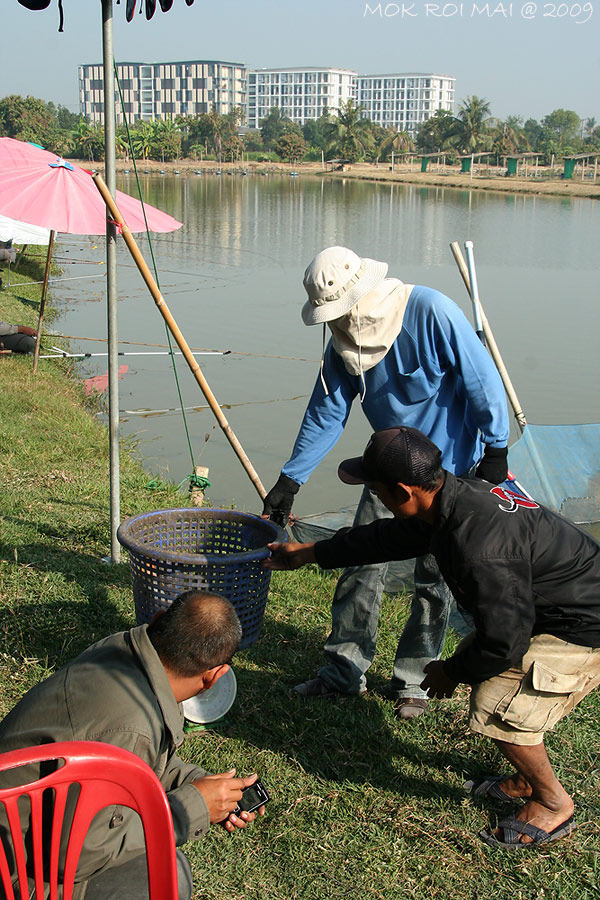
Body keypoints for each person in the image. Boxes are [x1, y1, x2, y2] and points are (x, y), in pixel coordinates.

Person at [265, 426, 600, 848]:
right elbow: (386, 538)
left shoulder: (479, 544)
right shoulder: (450, 498)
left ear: (404, 491)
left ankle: (553, 804)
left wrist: (450, 672)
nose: (375, 497)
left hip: (585, 626)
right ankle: (523, 779)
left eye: (376, 488)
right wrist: (309, 554)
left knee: (495, 697)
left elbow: (504, 642)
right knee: (484, 663)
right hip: (548, 607)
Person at [262, 245, 510, 718]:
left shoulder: (430, 311)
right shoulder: (342, 339)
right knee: (360, 564)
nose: (337, 322)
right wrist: (290, 479)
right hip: (388, 472)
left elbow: (482, 378)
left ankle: (414, 679)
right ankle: (341, 670)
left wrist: (496, 446)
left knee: (437, 578)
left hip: (450, 473)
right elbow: (327, 409)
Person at [0, 591, 266, 899]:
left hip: (21, 829)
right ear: (214, 677)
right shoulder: (132, 726)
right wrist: (190, 809)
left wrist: (196, 783)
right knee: (165, 875)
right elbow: (75, 856)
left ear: (157, 621)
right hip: (16, 869)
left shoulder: (123, 653)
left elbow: (136, 764)